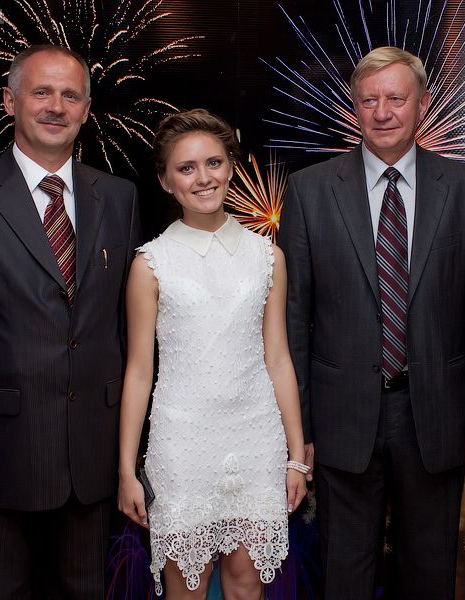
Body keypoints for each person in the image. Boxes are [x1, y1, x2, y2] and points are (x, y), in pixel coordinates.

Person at [0, 44, 141, 598]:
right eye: (41, 92)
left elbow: (124, 329)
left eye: (70, 95)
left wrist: (129, 455)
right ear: (9, 100)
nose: (55, 107)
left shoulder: (119, 197)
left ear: (86, 109)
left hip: (94, 457)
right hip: (1, 458)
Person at [277, 46, 465, 600]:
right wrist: (298, 431)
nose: (382, 112)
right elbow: (293, 320)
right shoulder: (309, 190)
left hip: (435, 415)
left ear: (422, 104)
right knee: (345, 576)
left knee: (429, 574)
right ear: (354, 107)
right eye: (369, 100)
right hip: (341, 419)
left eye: (396, 98)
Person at [117, 108, 307, 599]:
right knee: (186, 589)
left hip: (256, 438)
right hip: (182, 443)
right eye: (186, 168)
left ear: (231, 167)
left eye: (214, 163)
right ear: (166, 181)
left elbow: (278, 359)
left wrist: (296, 458)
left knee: (247, 586)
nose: (203, 178)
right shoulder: (151, 263)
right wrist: (126, 470)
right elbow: (138, 372)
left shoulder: (267, 256)